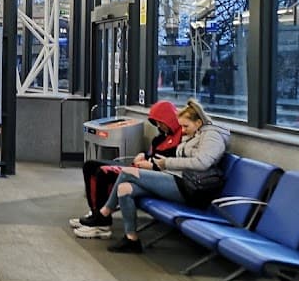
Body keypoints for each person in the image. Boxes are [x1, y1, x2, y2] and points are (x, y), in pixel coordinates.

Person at [84, 99, 230, 254]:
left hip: (191, 188)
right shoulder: (195, 133)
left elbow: (202, 163)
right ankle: (131, 239)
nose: (183, 130)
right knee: (124, 188)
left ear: (199, 122)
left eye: (185, 126)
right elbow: (186, 157)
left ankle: (104, 214)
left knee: (127, 172)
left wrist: (166, 163)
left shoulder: (213, 136)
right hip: (178, 179)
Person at [71, 99, 183, 239]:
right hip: (140, 168)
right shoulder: (163, 137)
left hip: (149, 174)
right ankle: (96, 213)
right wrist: (144, 155)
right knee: (90, 166)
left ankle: (102, 222)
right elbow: (152, 153)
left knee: (104, 173)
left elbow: (172, 164)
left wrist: (151, 164)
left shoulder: (181, 141)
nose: (159, 126)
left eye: (161, 122)